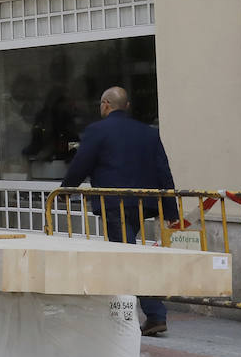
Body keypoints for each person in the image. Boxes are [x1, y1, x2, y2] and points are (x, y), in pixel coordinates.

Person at [61, 86, 179, 337]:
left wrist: (64, 191)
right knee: (130, 253)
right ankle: (147, 313)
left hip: (113, 204)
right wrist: (171, 210)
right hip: (142, 203)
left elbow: (81, 164)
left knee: (125, 258)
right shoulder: (148, 133)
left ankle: (147, 314)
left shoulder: (97, 131)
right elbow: (163, 170)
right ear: (126, 106)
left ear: (105, 105)